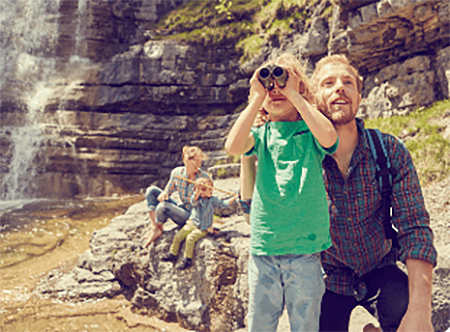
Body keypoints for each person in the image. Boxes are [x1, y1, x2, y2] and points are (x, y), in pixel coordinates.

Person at [310, 55, 437, 332]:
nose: (339, 88)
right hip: (328, 279)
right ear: (314, 98)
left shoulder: (389, 151)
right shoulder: (302, 159)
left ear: (359, 93)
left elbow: (414, 229)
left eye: (347, 82)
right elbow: (261, 217)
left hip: (381, 268)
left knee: (406, 312)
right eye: (328, 83)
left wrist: (420, 311)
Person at [225, 53, 339, 332]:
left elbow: (330, 138)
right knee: (260, 324)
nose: (276, 89)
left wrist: (296, 95)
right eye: (270, 84)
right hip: (265, 249)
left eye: (284, 81)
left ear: (300, 86)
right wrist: (255, 98)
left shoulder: (310, 130)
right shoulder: (261, 135)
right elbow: (234, 146)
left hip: (305, 250)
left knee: (305, 325)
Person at [161, 177, 237, 269]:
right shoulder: (196, 198)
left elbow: (224, 203)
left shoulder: (212, 200)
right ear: (202, 191)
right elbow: (193, 201)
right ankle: (173, 253)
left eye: (212, 188)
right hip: (191, 223)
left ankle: (187, 259)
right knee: (178, 236)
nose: (212, 191)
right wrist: (197, 190)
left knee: (190, 239)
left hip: (203, 228)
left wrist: (235, 197)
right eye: (209, 189)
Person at [142, 146, 211, 247]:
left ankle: (158, 227)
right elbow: (167, 190)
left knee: (163, 207)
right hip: (181, 209)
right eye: (196, 161)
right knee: (151, 191)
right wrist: (165, 193)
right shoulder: (176, 173)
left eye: (200, 161)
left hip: (192, 217)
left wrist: (202, 191)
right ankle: (155, 228)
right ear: (185, 159)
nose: (199, 165)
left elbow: (208, 203)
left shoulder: (203, 177)